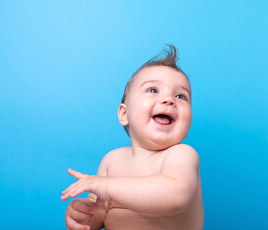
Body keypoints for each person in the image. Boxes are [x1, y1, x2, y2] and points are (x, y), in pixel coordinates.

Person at [61, 45, 204, 230]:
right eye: (153, 90)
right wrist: (84, 215)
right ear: (124, 114)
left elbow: (176, 195)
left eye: (180, 96)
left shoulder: (181, 155)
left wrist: (108, 187)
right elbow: (100, 213)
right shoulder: (111, 161)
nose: (169, 99)